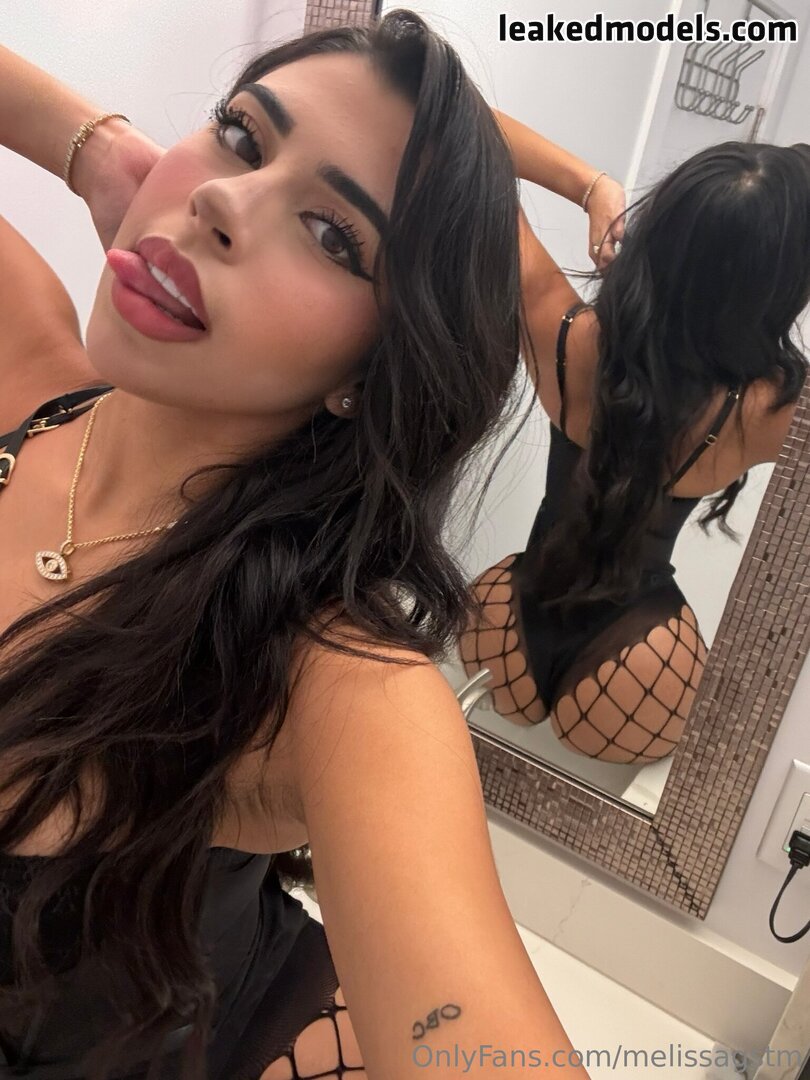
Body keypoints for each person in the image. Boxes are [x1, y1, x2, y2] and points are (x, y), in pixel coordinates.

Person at [0, 13, 592, 1080]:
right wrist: (95, 151)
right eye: (240, 135)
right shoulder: (22, 371)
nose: (224, 203)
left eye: (332, 235)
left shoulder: (333, 683)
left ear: (372, 370)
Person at [459, 111, 810, 765]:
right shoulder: (771, 412)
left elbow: (450, 110)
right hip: (640, 667)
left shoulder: (563, 335)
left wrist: (591, 186)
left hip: (501, 622)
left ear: (658, 230)